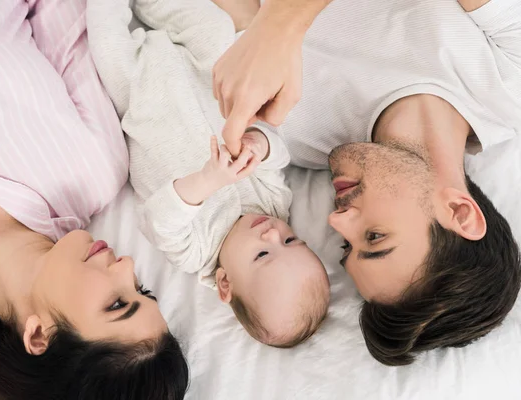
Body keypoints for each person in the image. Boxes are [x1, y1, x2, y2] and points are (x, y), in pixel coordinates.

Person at [213, 0, 521, 365]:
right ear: (459, 211)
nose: (336, 220)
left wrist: (264, 26)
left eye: (347, 245)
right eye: (374, 237)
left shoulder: (291, 135)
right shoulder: (507, 83)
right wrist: (281, 25)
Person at [0, 1, 188, 399]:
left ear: (39, 335)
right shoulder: (95, 166)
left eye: (116, 303)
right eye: (141, 289)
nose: (127, 265)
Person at [86, 0, 329, 348]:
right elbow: (278, 156)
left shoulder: (196, 251)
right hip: (204, 72)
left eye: (263, 255)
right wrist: (259, 146)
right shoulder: (273, 204)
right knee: (214, 27)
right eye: (292, 241)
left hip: (142, 94)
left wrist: (209, 180)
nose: (274, 236)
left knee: (107, 46)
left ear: (226, 283)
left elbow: (159, 220)